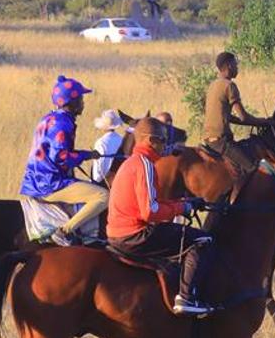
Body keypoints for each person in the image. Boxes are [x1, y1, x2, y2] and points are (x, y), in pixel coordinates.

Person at [107, 118, 215, 316]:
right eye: (162, 141)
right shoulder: (145, 165)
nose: (165, 146)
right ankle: (186, 298)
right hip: (135, 234)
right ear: (150, 141)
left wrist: (186, 204)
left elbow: (154, 203)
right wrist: (181, 208)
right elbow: (149, 212)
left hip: (118, 233)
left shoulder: (131, 162)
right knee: (202, 239)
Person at [19, 74, 109, 244]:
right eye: (80, 99)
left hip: (36, 180)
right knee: (103, 196)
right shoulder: (63, 124)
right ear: (71, 103)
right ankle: (64, 231)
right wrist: (86, 155)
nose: (83, 102)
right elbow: (61, 157)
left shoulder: (48, 118)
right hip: (51, 184)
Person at [201, 51, 269, 176]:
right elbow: (243, 117)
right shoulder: (230, 85)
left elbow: (228, 117)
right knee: (254, 169)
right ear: (229, 66)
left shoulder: (213, 85)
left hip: (208, 139)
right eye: (235, 64)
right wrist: (264, 122)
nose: (237, 67)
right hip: (222, 142)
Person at [90, 109, 127, 185]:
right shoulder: (122, 140)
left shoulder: (101, 142)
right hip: (122, 181)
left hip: (105, 183)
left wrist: (94, 182)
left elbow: (98, 168)